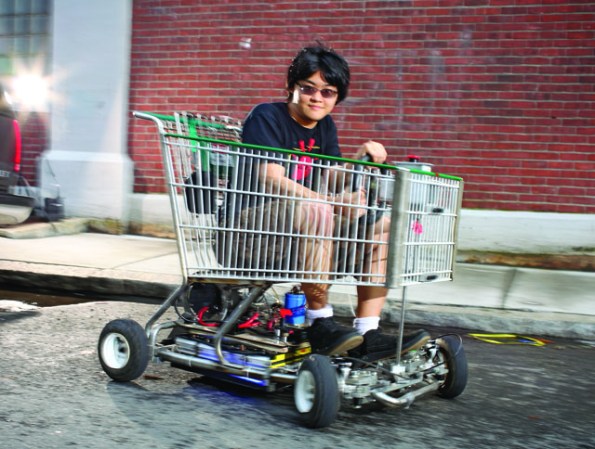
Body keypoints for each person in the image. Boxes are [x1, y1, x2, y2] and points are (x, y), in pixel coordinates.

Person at [240, 44, 430, 362]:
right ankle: (319, 322)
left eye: (327, 92)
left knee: (378, 222)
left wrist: (358, 166)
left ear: (337, 98)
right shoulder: (267, 116)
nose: (317, 98)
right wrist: (330, 201)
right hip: (253, 223)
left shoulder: (325, 126)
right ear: (291, 88)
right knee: (318, 210)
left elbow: (330, 177)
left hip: (304, 223)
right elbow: (271, 177)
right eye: (308, 89)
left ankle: (369, 332)